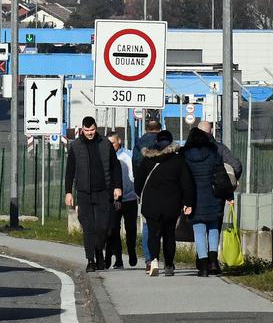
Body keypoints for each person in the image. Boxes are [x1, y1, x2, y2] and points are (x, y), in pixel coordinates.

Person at [63, 116, 123, 272]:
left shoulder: (105, 144)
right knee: (88, 227)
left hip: (103, 192)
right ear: (82, 129)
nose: (90, 133)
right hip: (84, 193)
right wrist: (68, 192)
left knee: (103, 227)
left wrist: (117, 187)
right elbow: (70, 170)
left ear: (96, 128)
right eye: (87, 130)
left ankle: (99, 252)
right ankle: (91, 260)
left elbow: (115, 166)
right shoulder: (76, 146)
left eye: (92, 130)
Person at [135, 129, 193, 276]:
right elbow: (186, 183)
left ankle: (153, 260)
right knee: (169, 234)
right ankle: (168, 265)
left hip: (151, 203)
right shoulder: (179, 160)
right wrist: (188, 202)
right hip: (171, 204)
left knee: (153, 233)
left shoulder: (148, 160)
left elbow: (139, 182)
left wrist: (139, 195)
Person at [181, 126, 227, 276]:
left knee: (199, 230)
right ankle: (213, 260)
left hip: (194, 197)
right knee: (213, 227)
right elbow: (221, 175)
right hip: (213, 195)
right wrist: (228, 195)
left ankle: (203, 265)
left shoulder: (185, 155)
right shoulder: (213, 154)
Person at [105, 130, 139, 269]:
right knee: (113, 229)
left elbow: (134, 175)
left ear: (119, 141)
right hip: (113, 200)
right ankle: (118, 258)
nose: (110, 146)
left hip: (129, 198)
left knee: (131, 229)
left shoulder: (128, 156)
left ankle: (131, 251)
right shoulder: (105, 157)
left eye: (112, 143)